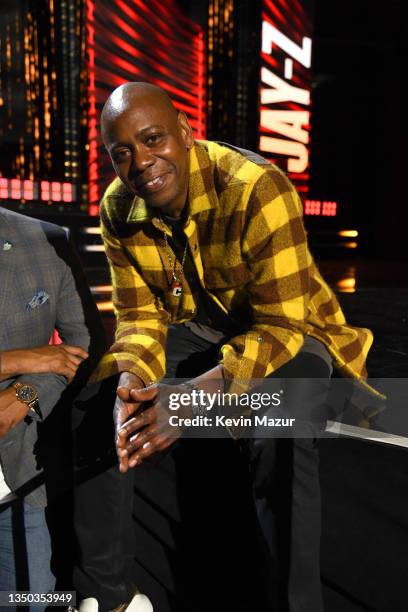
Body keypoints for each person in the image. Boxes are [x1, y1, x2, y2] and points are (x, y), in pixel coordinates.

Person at [76, 82, 377, 612]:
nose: (141, 162)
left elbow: (281, 326)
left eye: (153, 140)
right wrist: (129, 379)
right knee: (99, 396)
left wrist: (191, 400)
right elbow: (140, 317)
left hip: (289, 332)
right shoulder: (119, 207)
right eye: (122, 152)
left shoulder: (256, 186)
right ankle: (112, 597)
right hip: (202, 330)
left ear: (185, 134)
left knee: (280, 424)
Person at [0, 206, 105, 611]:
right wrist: (23, 358)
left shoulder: (45, 238)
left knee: (37, 599)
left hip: (21, 479)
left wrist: (23, 396)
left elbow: (84, 346)